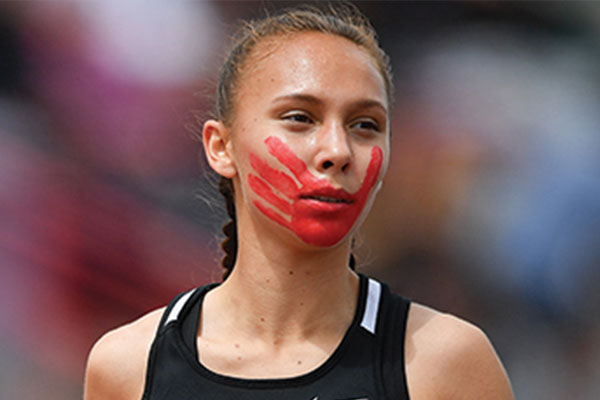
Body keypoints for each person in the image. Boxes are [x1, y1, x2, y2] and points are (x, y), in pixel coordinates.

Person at [84, 4, 514, 400]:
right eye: (300, 118)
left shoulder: (446, 362)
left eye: (365, 124)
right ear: (221, 146)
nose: (338, 150)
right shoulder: (130, 365)